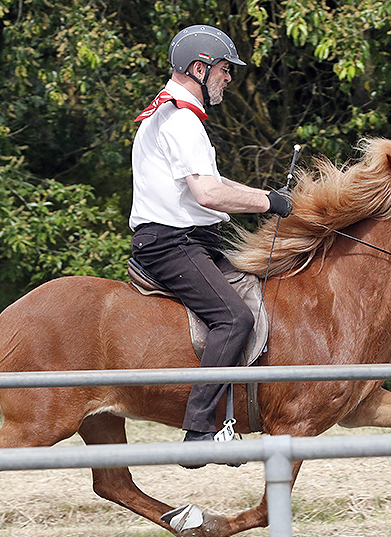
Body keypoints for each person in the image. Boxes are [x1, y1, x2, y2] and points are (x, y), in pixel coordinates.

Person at [129, 25, 292, 442]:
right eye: (224, 69)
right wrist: (269, 205)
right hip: (171, 243)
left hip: (192, 241)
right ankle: (199, 428)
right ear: (199, 68)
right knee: (234, 318)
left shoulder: (174, 114)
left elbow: (214, 181)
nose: (229, 78)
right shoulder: (181, 121)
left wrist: (267, 195)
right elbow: (207, 194)